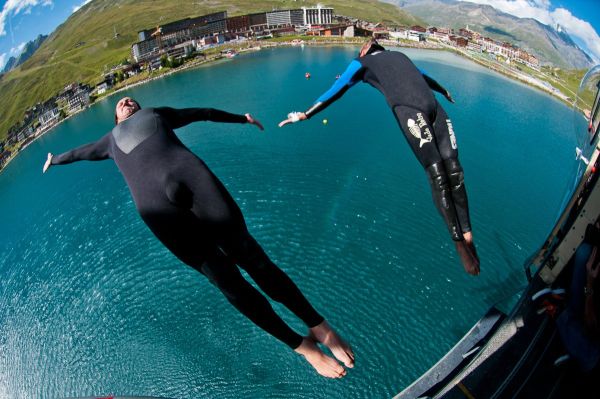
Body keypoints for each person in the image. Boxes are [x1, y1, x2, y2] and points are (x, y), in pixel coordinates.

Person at [43, 97, 354, 378]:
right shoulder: (109, 142)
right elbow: (77, 153)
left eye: (131, 100)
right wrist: (54, 159)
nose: (126, 99)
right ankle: (303, 347)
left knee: (252, 258)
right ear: (115, 119)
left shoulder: (156, 113)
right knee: (229, 284)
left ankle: (320, 327)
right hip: (162, 217)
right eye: (121, 104)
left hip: (195, 185)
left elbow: (201, 112)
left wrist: (241, 118)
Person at [279, 38, 480, 275]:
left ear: (366, 48)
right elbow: (339, 87)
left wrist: (443, 90)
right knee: (439, 175)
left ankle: (467, 234)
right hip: (411, 108)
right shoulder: (367, 63)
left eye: (362, 48)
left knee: (455, 172)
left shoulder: (393, 57)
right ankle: (458, 242)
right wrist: (306, 114)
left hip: (434, 108)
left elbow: (422, 75)